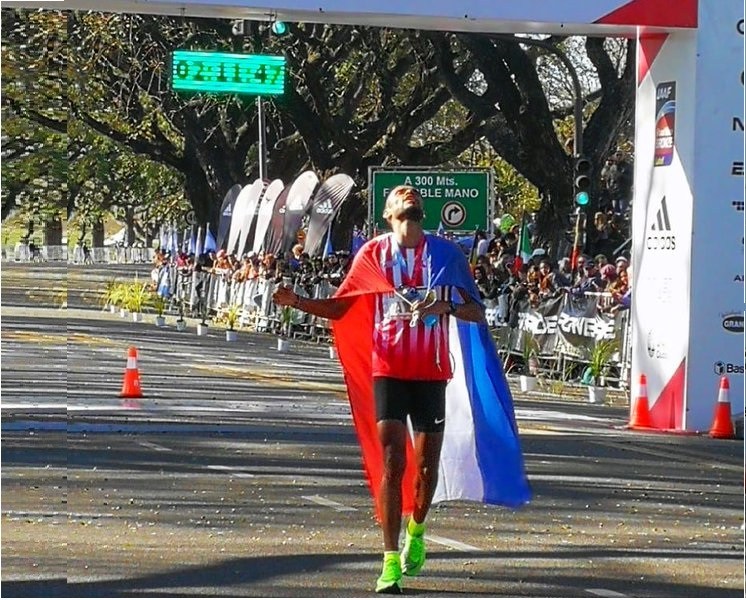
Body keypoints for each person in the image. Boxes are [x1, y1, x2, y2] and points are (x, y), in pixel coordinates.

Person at [273, 185, 530, 594]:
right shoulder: (373, 255)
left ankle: (418, 529)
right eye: (401, 207)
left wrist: (442, 307)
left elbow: (477, 311)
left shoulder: (446, 256)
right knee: (393, 463)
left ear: (421, 216)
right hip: (387, 370)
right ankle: (390, 560)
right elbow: (342, 307)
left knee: (426, 469)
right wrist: (297, 301)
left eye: (414, 207)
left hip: (431, 373)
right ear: (389, 217)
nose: (408, 210)